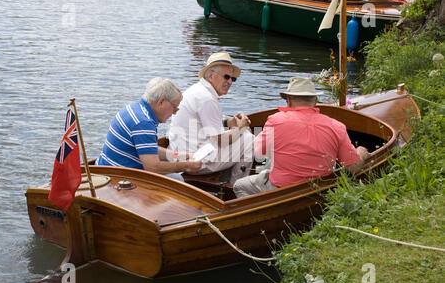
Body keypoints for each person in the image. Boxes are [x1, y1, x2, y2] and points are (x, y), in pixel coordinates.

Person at [233, 77, 370, 198]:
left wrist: (245, 130)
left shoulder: (275, 120)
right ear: (315, 101)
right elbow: (353, 168)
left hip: (280, 189)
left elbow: (259, 153)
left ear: (288, 100)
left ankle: (263, 214)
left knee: (239, 185)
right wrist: (361, 153)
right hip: (319, 190)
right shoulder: (337, 126)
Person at [168, 52, 254, 184]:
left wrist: (228, 122)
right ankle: (235, 188)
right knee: (248, 138)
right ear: (210, 75)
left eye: (233, 79)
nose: (230, 82)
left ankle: (224, 182)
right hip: (195, 161)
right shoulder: (208, 98)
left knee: (238, 136)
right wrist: (241, 128)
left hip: (179, 155)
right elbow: (221, 141)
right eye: (226, 77)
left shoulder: (197, 90)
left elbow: (203, 124)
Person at [95, 77, 201, 181]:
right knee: (177, 179)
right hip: (116, 177)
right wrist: (186, 166)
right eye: (174, 107)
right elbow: (153, 168)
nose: (175, 112)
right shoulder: (144, 123)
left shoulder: (135, 109)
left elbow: (148, 149)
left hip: (104, 168)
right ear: (161, 102)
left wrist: (182, 156)